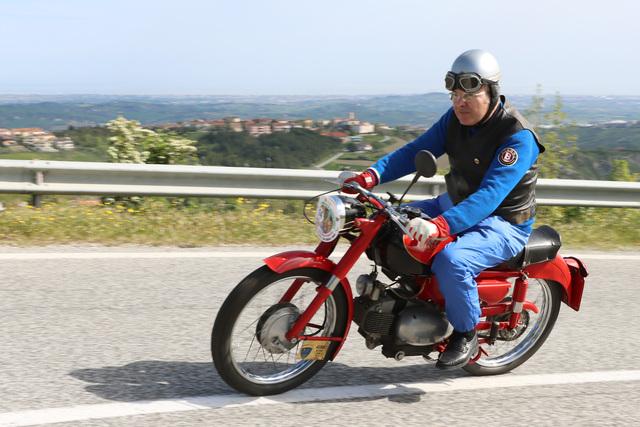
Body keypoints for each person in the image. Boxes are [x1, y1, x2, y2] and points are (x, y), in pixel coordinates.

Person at [342, 49, 545, 369]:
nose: (459, 102)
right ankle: (411, 292)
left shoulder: (517, 137)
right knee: (383, 222)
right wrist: (371, 176)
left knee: (453, 260)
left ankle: (465, 332)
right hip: (453, 203)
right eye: (455, 95)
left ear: (492, 91)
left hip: (503, 223)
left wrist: (441, 226)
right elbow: (414, 151)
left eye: (469, 94)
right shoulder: (454, 120)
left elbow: (490, 196)